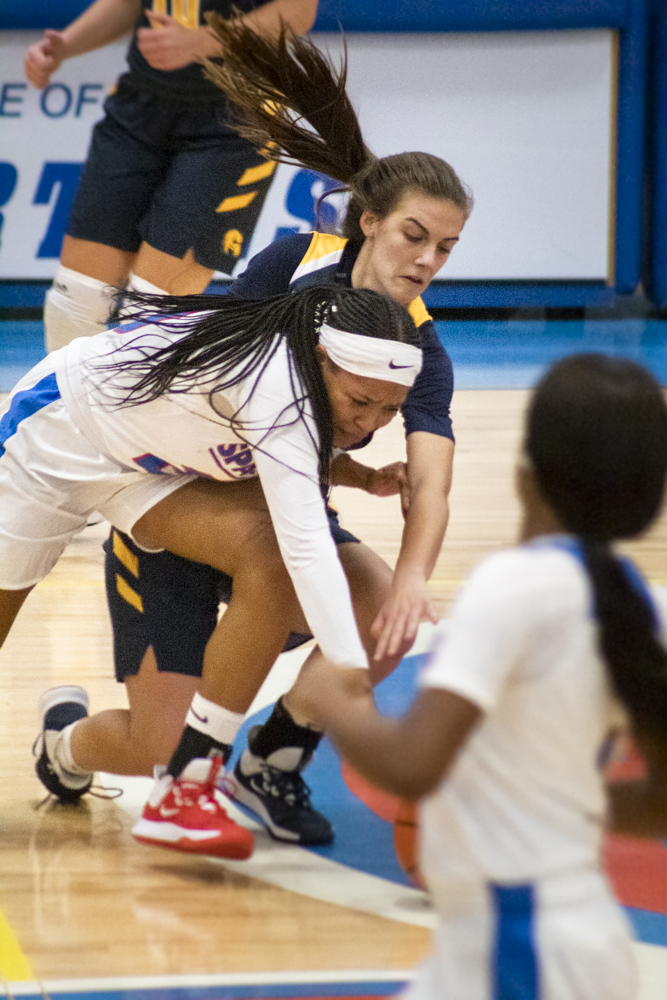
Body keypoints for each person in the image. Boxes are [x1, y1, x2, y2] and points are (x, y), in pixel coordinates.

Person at [34, 22, 473, 848]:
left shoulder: (424, 350)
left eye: (445, 248)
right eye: (415, 235)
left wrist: (414, 577)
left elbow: (433, 481)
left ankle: (269, 760)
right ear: (368, 222)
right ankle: (63, 744)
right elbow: (221, 406)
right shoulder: (286, 266)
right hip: (180, 503)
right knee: (153, 747)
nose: (426, 260)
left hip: (281, 519)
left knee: (384, 607)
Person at [293, 352, 667, 1000]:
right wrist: (554, 805)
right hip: (567, 934)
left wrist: (332, 697)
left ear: (525, 475)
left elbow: (412, 765)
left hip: (517, 941)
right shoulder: (638, 605)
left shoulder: (511, 587)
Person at [1, 284, 421, 858]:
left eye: (389, 410)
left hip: (153, 471)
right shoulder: (279, 384)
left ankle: (189, 782)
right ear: (323, 361)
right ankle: (105, 752)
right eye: (361, 402)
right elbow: (308, 545)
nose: (370, 421)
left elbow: (268, 440)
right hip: (55, 434)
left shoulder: (319, 373)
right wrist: (349, 668)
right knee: (294, 558)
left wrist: (351, 473)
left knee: (275, 561)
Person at [24, 0, 318, 352]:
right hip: (141, 102)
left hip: (236, 117)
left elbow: (298, 11)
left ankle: (129, 405)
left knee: (150, 312)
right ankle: (64, 404)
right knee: (76, 300)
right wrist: (67, 45)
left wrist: (203, 40)